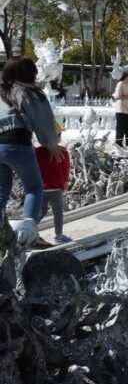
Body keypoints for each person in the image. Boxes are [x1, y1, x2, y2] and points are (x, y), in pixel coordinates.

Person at [0, 57, 62, 248]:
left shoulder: (2, 91)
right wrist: (51, 144)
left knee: (2, 191)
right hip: (17, 143)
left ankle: (2, 235)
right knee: (34, 188)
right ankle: (27, 237)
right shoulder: (29, 92)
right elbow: (43, 121)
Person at [36, 140, 71, 244]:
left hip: (41, 187)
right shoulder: (62, 151)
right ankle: (58, 236)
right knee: (58, 213)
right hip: (56, 186)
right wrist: (65, 182)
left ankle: (27, 230)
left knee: (41, 211)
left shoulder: (37, 151)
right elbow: (66, 168)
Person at [112, 69, 128, 147]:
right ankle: (118, 143)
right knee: (120, 128)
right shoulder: (120, 84)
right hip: (121, 109)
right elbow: (117, 97)